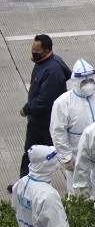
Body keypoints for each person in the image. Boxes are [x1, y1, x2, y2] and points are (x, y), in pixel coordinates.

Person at [50, 59, 95, 193]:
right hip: (77, 158)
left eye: (90, 80)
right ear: (76, 82)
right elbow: (57, 131)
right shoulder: (63, 103)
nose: (88, 84)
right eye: (83, 82)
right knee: (79, 194)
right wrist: (66, 158)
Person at [15, 35, 70, 186]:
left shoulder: (52, 70)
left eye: (36, 50)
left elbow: (45, 100)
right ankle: (23, 185)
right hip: (37, 122)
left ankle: (78, 185)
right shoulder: (42, 63)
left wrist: (27, 109)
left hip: (48, 123)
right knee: (29, 154)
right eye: (33, 49)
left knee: (60, 155)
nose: (33, 53)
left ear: (46, 51)